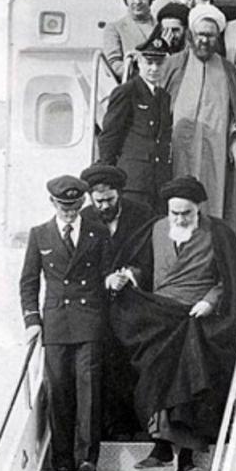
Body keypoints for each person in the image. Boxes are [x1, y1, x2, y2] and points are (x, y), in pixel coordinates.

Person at [105, 176, 236, 471]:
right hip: (159, 317)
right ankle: (160, 449)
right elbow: (142, 267)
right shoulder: (157, 229)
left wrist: (210, 300)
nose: (181, 219)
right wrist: (129, 275)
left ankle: (186, 457)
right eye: (175, 213)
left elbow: (230, 280)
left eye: (187, 213)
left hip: (196, 318)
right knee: (156, 377)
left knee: (189, 379)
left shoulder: (218, 233)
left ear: (198, 209)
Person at [19, 175, 113, 471]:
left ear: (82, 202)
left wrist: (113, 281)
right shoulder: (40, 235)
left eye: (74, 207)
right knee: (58, 388)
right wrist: (32, 320)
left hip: (89, 319)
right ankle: (62, 456)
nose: (70, 213)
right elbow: (29, 282)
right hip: (56, 321)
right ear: (53, 203)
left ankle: (87, 457)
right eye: (64, 207)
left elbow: (107, 271)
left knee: (89, 389)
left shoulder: (98, 232)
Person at [161, 4, 236, 236]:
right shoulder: (174, 64)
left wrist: (234, 139)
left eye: (210, 35)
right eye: (200, 34)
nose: (204, 40)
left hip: (215, 150)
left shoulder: (228, 70)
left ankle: (212, 241)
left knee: (213, 197)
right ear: (191, 34)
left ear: (217, 37)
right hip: (178, 149)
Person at [80, 164, 154, 440]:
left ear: (119, 193)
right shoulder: (84, 218)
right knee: (105, 363)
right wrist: (106, 280)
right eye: (98, 201)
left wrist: (133, 274)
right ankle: (114, 428)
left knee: (135, 361)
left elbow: (151, 255)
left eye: (109, 200)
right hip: (98, 304)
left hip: (134, 302)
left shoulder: (142, 214)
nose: (104, 206)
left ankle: (141, 425)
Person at [98, 35, 173, 213]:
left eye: (159, 63)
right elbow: (109, 136)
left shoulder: (164, 97)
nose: (154, 68)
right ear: (139, 62)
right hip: (133, 181)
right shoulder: (126, 92)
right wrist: (108, 178)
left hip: (159, 182)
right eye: (149, 62)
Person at [103, 0, 157, 79]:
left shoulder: (163, 27)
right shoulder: (114, 29)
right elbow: (112, 65)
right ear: (125, 0)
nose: (137, 1)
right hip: (132, 85)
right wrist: (136, 66)